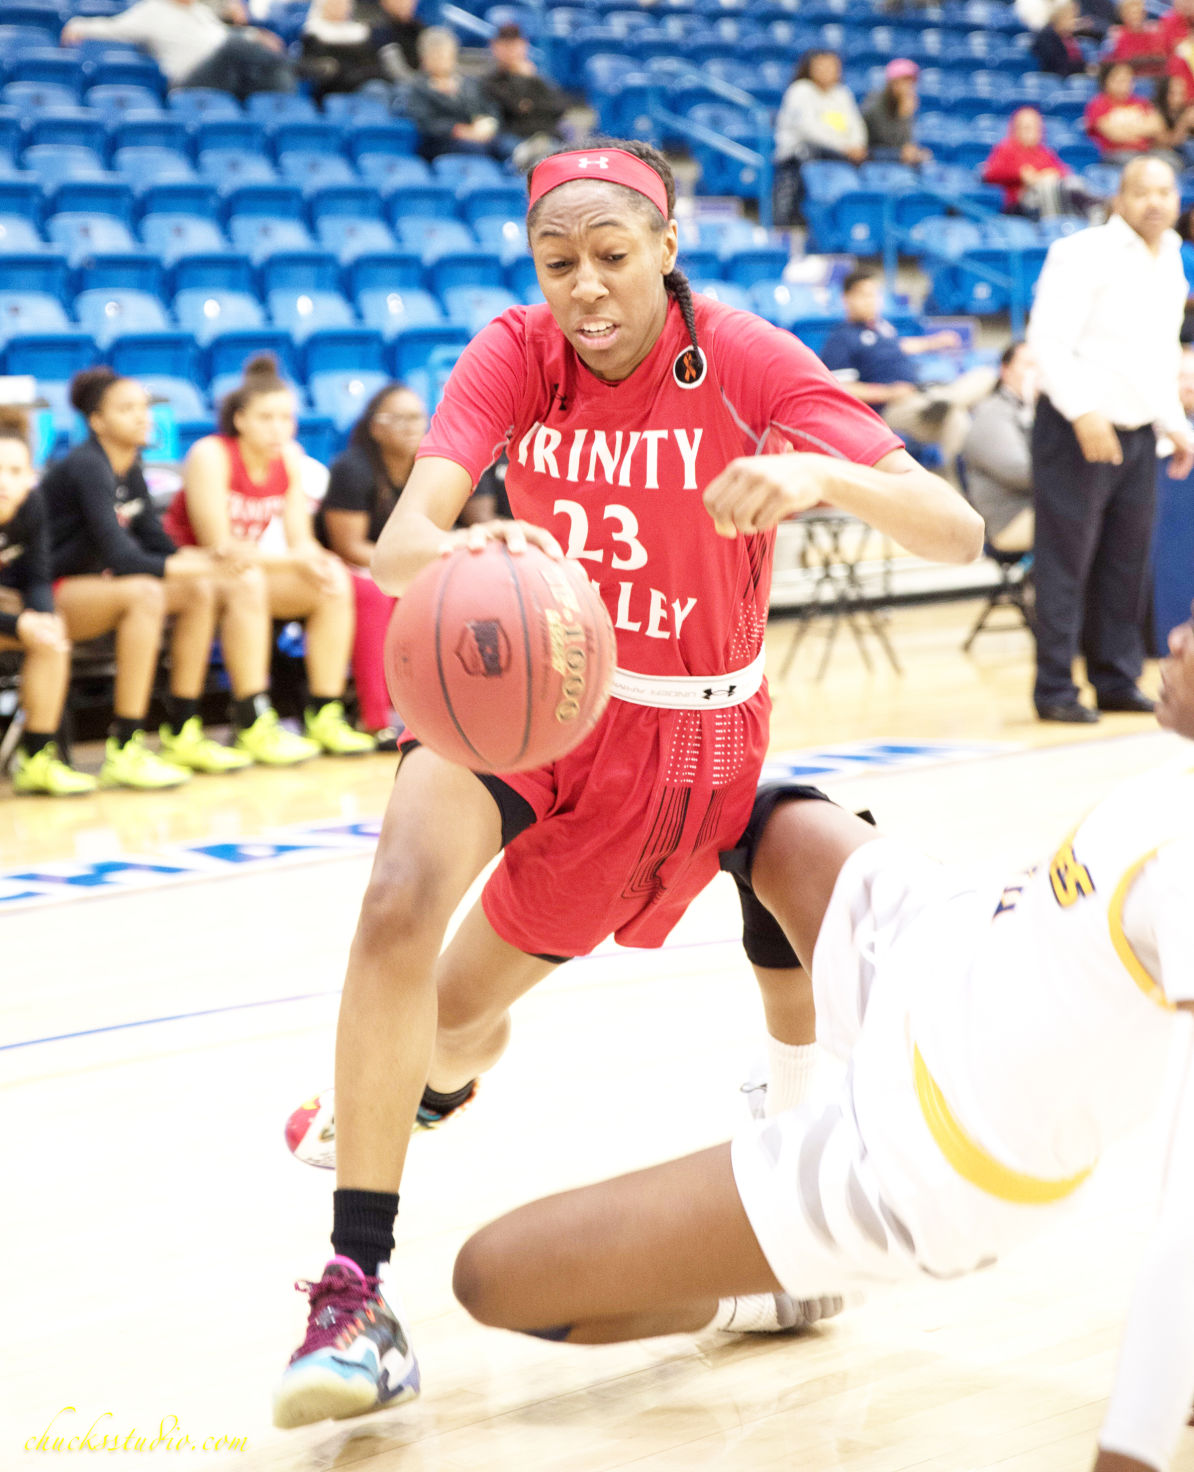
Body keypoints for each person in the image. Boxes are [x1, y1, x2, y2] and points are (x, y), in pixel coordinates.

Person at [271, 140, 983, 1428]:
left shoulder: (752, 360)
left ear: (666, 247)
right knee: (392, 901)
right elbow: (398, 543)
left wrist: (823, 477)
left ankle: (429, 1074)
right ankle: (354, 1297)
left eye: (611, 256)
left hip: (675, 742)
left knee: (451, 1015)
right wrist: (467, 540)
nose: (585, 286)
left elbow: (958, 529)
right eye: (559, 262)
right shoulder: (515, 350)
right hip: (523, 691)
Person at [449, 643, 1194, 1472]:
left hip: (932, 1154)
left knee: (491, 1277)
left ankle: (770, 1286)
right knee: (750, 813)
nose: (1177, 639)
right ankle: (788, 1107)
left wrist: (1136, 1445)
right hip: (934, 938)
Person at [41, 369, 298, 787]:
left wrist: (215, 558)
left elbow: (159, 545)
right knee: (146, 592)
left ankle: (182, 729)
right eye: (127, 409)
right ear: (97, 421)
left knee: (199, 590)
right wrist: (213, 561)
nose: (143, 417)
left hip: (98, 587)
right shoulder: (87, 465)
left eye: (144, 408)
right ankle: (124, 745)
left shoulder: (129, 466)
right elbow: (124, 558)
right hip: (48, 591)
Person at [1026, 155, 1194, 723]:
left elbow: (1156, 359)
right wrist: (1083, 411)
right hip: (1077, 430)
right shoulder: (1082, 252)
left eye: (1165, 191)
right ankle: (1054, 689)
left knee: (1126, 564)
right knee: (1065, 564)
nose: (1155, 202)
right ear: (1119, 197)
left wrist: (1175, 424)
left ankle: (1116, 678)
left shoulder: (1172, 257)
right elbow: (1047, 341)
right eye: (1142, 191)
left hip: (1140, 432)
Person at [163, 356, 376, 758]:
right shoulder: (211, 454)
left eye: (286, 418)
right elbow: (219, 546)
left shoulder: (290, 457)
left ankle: (324, 713)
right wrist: (298, 560)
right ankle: (252, 720)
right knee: (249, 580)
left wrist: (318, 559)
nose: (279, 428)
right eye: (267, 418)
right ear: (240, 419)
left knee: (332, 581)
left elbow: (299, 539)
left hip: (246, 568)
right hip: (191, 569)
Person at [316, 384, 495, 744]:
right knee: (376, 593)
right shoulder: (352, 469)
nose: (411, 426)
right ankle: (377, 718)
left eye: (416, 417)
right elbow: (348, 546)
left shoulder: (432, 468)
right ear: (375, 428)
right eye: (397, 419)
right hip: (346, 567)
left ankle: (462, 709)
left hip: (404, 564)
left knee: (464, 588)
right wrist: (405, 566)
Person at [0, 415, 95, 797]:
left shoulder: (31, 506)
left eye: (15, 470)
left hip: (8, 613)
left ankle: (37, 759)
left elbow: (38, 576)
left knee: (52, 635)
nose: (4, 480)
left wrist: (40, 617)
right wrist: (17, 623)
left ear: (30, 478)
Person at [821, 268, 993, 470]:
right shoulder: (841, 339)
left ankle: (946, 402)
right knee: (955, 415)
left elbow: (899, 346)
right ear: (846, 298)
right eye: (863, 295)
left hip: (919, 395)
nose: (871, 300)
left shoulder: (881, 329)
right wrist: (887, 393)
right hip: (891, 407)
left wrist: (934, 342)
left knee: (985, 377)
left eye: (874, 294)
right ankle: (944, 402)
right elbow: (842, 388)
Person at [61, 0, 293, 97]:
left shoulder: (200, 10)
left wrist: (257, 35)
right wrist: (78, 25)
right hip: (189, 79)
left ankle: (290, 81)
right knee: (233, 47)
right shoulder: (154, 9)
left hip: (223, 75)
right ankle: (295, 64)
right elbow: (115, 27)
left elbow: (222, 33)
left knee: (274, 78)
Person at [773, 50, 867, 224]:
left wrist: (856, 145)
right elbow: (808, 129)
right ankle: (792, 218)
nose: (828, 70)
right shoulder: (799, 90)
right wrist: (844, 147)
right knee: (808, 153)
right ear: (810, 68)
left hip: (840, 154)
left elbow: (857, 126)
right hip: (798, 156)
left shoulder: (842, 93)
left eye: (832, 66)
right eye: (822, 65)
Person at [959, 341, 1037, 551]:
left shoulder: (1035, 411)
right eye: (1029, 365)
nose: (1036, 374)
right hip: (1011, 521)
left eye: (1040, 366)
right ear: (1005, 371)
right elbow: (1021, 473)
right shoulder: (993, 415)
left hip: (1039, 509)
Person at [404, 27, 512, 162]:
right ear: (424, 58)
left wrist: (488, 125)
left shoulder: (470, 84)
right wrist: (461, 131)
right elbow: (426, 122)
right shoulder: (418, 88)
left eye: (445, 54)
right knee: (474, 149)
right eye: (436, 54)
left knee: (508, 146)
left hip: (480, 136)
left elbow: (490, 108)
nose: (442, 60)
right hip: (442, 143)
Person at [480, 23, 570, 166]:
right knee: (520, 151)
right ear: (495, 47)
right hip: (512, 138)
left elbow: (558, 107)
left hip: (546, 136)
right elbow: (514, 106)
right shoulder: (490, 81)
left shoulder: (538, 79)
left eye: (515, 45)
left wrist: (530, 79)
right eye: (505, 46)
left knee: (560, 149)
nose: (511, 51)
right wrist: (521, 80)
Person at [981, 107, 1080, 216]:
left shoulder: (1044, 151)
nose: (1034, 132)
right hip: (1019, 204)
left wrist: (1044, 175)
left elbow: (1063, 171)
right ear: (1017, 129)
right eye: (1028, 128)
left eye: (1037, 128)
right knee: (1046, 187)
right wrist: (1020, 174)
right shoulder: (1006, 148)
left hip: (1049, 197)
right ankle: (1053, 224)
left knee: (1073, 183)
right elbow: (990, 173)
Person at [298, 0, 380, 101]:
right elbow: (312, 68)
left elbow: (375, 66)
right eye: (333, 2)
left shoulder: (360, 33)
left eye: (343, 2)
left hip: (366, 83)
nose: (339, 7)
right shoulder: (313, 33)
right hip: (333, 93)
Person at [1084, 63, 1167, 161]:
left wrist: (1125, 128)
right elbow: (1114, 135)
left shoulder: (1142, 102)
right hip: (1114, 154)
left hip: (1145, 151)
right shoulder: (1098, 104)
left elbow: (1158, 127)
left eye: (1129, 80)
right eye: (1120, 80)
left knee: (1170, 160)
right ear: (1107, 81)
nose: (1125, 84)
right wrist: (1142, 129)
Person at [861, 60, 931, 164]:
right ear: (892, 82)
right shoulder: (874, 103)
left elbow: (906, 144)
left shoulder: (903, 102)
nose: (908, 87)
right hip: (870, 157)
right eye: (903, 81)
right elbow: (885, 141)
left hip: (890, 157)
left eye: (911, 82)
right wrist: (903, 115)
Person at [370, 0, 426, 81]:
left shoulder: (422, 30)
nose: (402, 2)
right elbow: (396, 72)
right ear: (383, 1)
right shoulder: (379, 31)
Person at [1105, 0, 1168, 75]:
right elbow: (1118, 62)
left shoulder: (1153, 34)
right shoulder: (1117, 35)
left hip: (1151, 77)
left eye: (1138, 12)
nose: (1135, 16)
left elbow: (1160, 59)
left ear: (1144, 14)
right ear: (1123, 15)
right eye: (1130, 13)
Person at [1032, 0, 1086, 78]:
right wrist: (1082, 68)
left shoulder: (1068, 37)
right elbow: (1055, 63)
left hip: (1069, 76)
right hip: (1052, 78)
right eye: (1071, 17)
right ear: (1061, 17)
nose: (1074, 22)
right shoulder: (1047, 36)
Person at [1155, 72, 1194, 158]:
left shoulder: (1185, 109)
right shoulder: (1154, 112)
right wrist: (1184, 123)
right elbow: (1166, 143)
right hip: (1164, 155)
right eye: (1173, 93)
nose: (1179, 98)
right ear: (1164, 94)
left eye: (1182, 93)